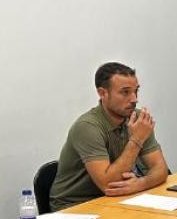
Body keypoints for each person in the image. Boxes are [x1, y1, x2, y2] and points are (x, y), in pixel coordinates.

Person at [50, 62, 169, 211]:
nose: (134, 99)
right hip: (75, 207)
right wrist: (137, 140)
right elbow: (108, 185)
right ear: (102, 93)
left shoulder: (138, 119)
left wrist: (140, 184)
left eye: (136, 91)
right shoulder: (87, 126)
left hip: (114, 200)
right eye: (125, 92)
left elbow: (161, 169)